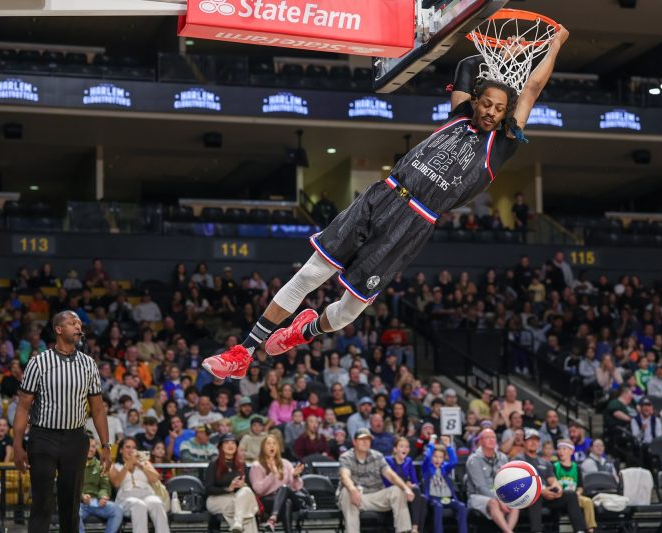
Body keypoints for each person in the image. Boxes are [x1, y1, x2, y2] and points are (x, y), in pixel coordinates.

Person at [202, 25, 570, 379]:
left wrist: (553, 45)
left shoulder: (501, 145)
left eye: (498, 108)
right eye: (486, 103)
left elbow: (533, 87)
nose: (490, 111)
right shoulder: (459, 115)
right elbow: (465, 67)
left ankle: (306, 330)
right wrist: (505, 54)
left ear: (506, 114)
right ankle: (245, 352)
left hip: (413, 222)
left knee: (348, 311)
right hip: (383, 195)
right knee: (311, 273)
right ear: (476, 102)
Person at [14, 310, 111, 533]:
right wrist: (17, 444)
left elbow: (97, 408)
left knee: (71, 504)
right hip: (43, 437)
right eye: (72, 323)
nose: (79, 327)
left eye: (79, 323)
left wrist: (105, 445)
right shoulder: (38, 362)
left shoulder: (88, 364)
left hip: (76, 438)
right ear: (59, 329)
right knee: (42, 502)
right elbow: (23, 406)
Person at [337, 427, 415, 533]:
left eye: (368, 439)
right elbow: (344, 476)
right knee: (347, 492)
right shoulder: (346, 457)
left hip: (375, 496)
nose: (365, 442)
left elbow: (390, 475)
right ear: (354, 442)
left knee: (398, 490)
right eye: (362, 439)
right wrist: (352, 489)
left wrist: (406, 488)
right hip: (356, 496)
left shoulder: (377, 456)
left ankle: (403, 531)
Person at [516, 428, 586, 533]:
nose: (533, 442)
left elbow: (552, 480)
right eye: (530, 440)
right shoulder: (518, 460)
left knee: (571, 495)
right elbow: (518, 482)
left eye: (536, 440)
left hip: (546, 495)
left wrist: (558, 489)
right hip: (527, 496)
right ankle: (537, 531)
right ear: (524, 442)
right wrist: (541, 491)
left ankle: (580, 530)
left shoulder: (545, 462)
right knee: (535, 494)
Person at [108, 436, 170, 533]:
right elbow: (116, 483)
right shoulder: (114, 466)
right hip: (126, 497)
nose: (131, 450)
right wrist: (127, 465)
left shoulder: (144, 463)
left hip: (147, 494)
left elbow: (155, 478)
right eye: (128, 447)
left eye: (134, 447)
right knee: (138, 505)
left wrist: (140, 465)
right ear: (120, 450)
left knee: (156, 503)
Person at [466, 428, 519, 533]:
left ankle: (507, 530)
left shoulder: (502, 457)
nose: (491, 440)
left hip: (499, 494)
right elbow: (481, 487)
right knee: (493, 502)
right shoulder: (474, 460)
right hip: (477, 496)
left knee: (515, 501)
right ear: (481, 441)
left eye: (493, 437)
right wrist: (501, 500)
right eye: (487, 437)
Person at [249, 435, 305, 533]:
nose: (272, 446)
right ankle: (276, 523)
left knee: (284, 489)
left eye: (274, 443)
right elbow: (259, 490)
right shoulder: (257, 466)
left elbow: (297, 488)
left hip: (292, 499)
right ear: (263, 447)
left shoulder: (285, 464)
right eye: (268, 444)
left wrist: (295, 477)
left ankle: (272, 519)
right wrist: (272, 474)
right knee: (287, 503)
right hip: (267, 501)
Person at [205, 433, 259, 533]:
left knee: (246, 492)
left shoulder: (241, 464)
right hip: (216, 499)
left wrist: (243, 485)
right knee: (247, 511)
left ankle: (237, 524)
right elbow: (208, 489)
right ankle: (238, 522)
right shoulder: (214, 464)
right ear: (221, 446)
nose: (230, 445)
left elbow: (251, 489)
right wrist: (228, 488)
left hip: (237, 500)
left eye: (233, 443)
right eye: (227, 443)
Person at [422, 435, 467, 533]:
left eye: (440, 457)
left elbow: (454, 462)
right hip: (434, 498)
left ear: (443, 459)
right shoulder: (427, 468)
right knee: (438, 507)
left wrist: (448, 446)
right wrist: (431, 444)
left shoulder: (445, 468)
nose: (437, 460)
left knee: (462, 506)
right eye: (435, 456)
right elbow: (427, 457)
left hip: (447, 498)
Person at [79, 435, 124, 533]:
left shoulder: (100, 465)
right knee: (73, 514)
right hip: (79, 504)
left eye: (93, 446)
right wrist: (82, 496)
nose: (91, 449)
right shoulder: (74, 465)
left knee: (118, 510)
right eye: (88, 446)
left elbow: (105, 486)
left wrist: (103, 496)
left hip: (97, 502)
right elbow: (70, 487)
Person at [384, 437, 427, 533]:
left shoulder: (409, 461)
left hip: (407, 492)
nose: (405, 449)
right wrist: (405, 485)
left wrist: (411, 485)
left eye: (407, 447)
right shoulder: (387, 460)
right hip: (392, 492)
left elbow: (415, 481)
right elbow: (387, 482)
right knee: (416, 492)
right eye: (401, 446)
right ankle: (414, 529)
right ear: (395, 449)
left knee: (422, 498)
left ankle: (415, 529)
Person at [554, 440, 595, 533]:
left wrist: (577, 493)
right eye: (559, 449)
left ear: (571, 451)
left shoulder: (577, 467)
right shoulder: (555, 466)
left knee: (588, 501)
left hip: (575, 496)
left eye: (564, 449)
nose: (561, 451)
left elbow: (580, 486)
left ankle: (590, 529)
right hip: (561, 497)